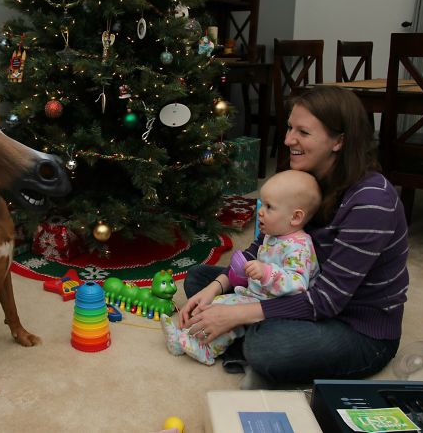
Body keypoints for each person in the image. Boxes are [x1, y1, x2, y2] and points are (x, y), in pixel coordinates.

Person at [179, 85, 408, 385]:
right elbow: (261, 248)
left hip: (355, 325)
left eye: (303, 132)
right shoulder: (303, 177)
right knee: (198, 279)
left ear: (339, 141)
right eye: (289, 128)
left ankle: (247, 333)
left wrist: (237, 314)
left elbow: (327, 300)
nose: (288, 140)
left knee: (269, 348)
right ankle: (247, 325)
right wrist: (217, 287)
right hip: (295, 288)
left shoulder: (371, 201)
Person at [161, 170, 321, 365]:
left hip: (277, 309)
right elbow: (249, 255)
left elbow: (298, 284)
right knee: (216, 302)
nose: (260, 211)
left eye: (269, 207)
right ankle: (182, 338)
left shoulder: (300, 246)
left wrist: (266, 273)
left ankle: (206, 350)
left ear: (295, 217)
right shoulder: (273, 232)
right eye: (262, 203)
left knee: (230, 318)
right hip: (255, 294)